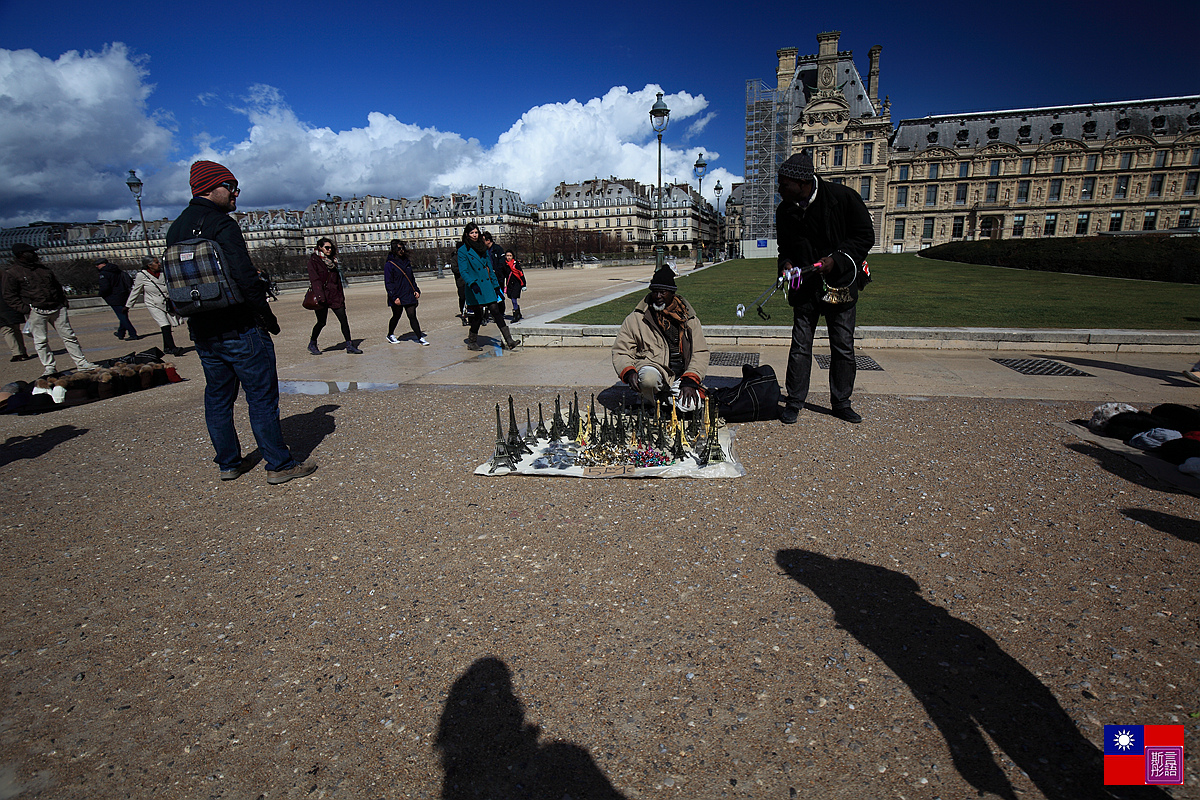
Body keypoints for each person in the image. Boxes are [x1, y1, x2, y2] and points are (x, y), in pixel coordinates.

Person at [166, 160, 316, 485]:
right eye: (231, 186)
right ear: (209, 188)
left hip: (202, 329)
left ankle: (229, 463)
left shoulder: (175, 228)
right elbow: (244, 277)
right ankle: (279, 464)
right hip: (239, 325)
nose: (236, 193)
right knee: (261, 396)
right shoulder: (222, 224)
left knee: (218, 396)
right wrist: (266, 316)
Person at [775, 150, 875, 425]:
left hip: (840, 284)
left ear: (804, 182)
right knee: (800, 346)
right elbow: (785, 247)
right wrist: (785, 264)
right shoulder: (784, 210)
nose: (779, 189)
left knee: (842, 346)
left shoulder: (843, 198)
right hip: (805, 288)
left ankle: (841, 402)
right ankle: (794, 401)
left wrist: (837, 259)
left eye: (784, 184)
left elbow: (865, 236)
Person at [612, 265, 708, 411]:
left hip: (681, 374)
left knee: (690, 407)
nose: (658, 296)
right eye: (655, 292)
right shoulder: (637, 318)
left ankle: (667, 398)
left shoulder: (689, 319)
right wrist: (629, 370)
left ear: (672, 293)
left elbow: (700, 352)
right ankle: (649, 400)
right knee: (648, 379)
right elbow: (621, 350)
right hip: (653, 368)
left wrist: (690, 379)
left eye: (662, 292)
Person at [2, 243, 98, 376]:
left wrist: (63, 302)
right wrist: (25, 309)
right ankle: (49, 367)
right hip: (35, 309)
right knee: (40, 340)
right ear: (21, 255)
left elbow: (57, 286)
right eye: (31, 252)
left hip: (56, 306)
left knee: (69, 336)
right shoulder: (12, 273)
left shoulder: (43, 269)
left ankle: (81, 363)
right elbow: (9, 295)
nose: (35, 255)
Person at [458, 223, 520, 352]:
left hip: (486, 286)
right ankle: (472, 341)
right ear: (466, 234)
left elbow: (489, 268)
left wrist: (496, 286)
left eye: (476, 232)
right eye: (472, 233)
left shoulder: (483, 248)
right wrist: (472, 283)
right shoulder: (463, 250)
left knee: (495, 311)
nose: (474, 235)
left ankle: (509, 340)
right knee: (478, 316)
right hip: (474, 287)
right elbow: (463, 271)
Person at [306, 238, 360, 355]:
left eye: (331, 248)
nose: (329, 250)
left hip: (335, 295)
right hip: (322, 295)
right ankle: (312, 343)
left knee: (343, 320)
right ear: (320, 247)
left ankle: (349, 345)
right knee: (321, 322)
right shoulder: (314, 261)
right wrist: (320, 297)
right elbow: (315, 280)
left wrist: (341, 295)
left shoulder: (333, 261)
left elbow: (337, 281)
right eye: (327, 247)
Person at [125, 255, 185, 356]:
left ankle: (167, 348)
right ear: (149, 265)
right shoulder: (142, 275)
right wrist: (128, 305)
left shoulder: (163, 273)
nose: (159, 264)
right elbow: (136, 290)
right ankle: (173, 348)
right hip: (153, 303)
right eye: (156, 262)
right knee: (165, 325)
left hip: (165, 302)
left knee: (168, 325)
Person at [383, 240, 428, 345]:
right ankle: (390, 334)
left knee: (412, 315)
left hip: (408, 292)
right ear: (394, 249)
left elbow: (411, 278)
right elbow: (388, 282)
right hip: (397, 294)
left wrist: (416, 290)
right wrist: (394, 297)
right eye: (398, 248)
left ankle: (420, 337)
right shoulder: (389, 264)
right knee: (396, 315)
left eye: (402, 248)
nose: (401, 250)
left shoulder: (406, 262)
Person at [96, 258, 138, 340]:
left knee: (122, 316)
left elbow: (105, 287)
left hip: (113, 297)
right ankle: (121, 333)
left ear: (103, 264)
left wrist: (101, 294)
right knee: (123, 314)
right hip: (124, 295)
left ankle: (132, 333)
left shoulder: (104, 274)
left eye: (98, 264)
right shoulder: (118, 271)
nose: (97, 266)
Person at [0, 265, 33, 362]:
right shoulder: (7, 280)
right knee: (16, 330)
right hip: (13, 306)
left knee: (7, 331)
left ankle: (16, 353)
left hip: (2, 309)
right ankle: (23, 351)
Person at [481, 231, 507, 318]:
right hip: (488, 277)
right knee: (490, 295)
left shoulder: (498, 249)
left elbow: (502, 262)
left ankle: (501, 312)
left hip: (498, 276)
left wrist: (496, 271)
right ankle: (493, 312)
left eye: (483, 240)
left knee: (499, 294)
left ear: (488, 240)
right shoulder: (483, 251)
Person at [503, 249, 527, 322]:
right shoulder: (505, 265)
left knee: (514, 298)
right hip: (509, 284)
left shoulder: (515, 265)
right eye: (507, 256)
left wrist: (524, 285)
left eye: (510, 256)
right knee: (511, 297)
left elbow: (521, 274)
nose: (509, 257)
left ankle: (515, 314)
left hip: (517, 284)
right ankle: (518, 312)